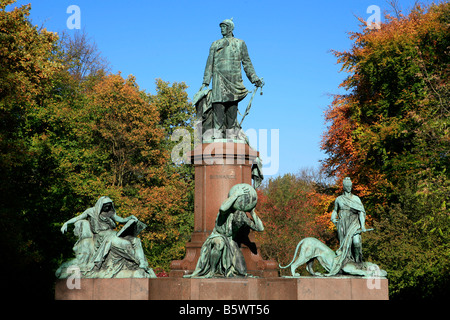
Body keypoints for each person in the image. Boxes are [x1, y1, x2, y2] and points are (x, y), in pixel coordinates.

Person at [59, 196, 154, 278]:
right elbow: (78, 217)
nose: (107, 207)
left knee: (136, 240)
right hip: (101, 236)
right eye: (105, 206)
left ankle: (142, 263)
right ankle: (135, 261)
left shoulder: (110, 212)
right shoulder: (91, 211)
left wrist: (130, 218)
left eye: (109, 205)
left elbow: (121, 220)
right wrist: (66, 223)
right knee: (123, 243)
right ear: (100, 205)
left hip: (112, 233)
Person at [199, 18, 263, 139]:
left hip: (234, 81)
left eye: (224, 27)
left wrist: (254, 78)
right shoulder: (215, 44)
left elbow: (247, 63)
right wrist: (205, 82)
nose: (222, 29)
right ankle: (217, 135)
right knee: (218, 106)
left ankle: (231, 136)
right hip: (218, 79)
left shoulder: (240, 43)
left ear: (230, 28)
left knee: (232, 110)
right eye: (221, 27)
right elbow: (209, 64)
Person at [187, 184, 264, 278]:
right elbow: (222, 208)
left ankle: (227, 270)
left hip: (231, 240)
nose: (239, 224)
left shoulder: (242, 215)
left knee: (241, 270)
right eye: (237, 222)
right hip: (218, 235)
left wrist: (252, 212)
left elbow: (260, 228)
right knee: (219, 244)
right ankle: (212, 271)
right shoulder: (226, 212)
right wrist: (236, 194)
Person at [330, 177, 367, 264]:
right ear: (344, 187)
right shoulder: (339, 199)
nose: (349, 188)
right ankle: (346, 262)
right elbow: (335, 210)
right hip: (343, 224)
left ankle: (357, 261)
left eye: (350, 186)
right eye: (347, 186)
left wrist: (362, 225)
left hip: (354, 223)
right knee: (345, 245)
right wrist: (332, 218)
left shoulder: (356, 199)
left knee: (356, 242)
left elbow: (361, 212)